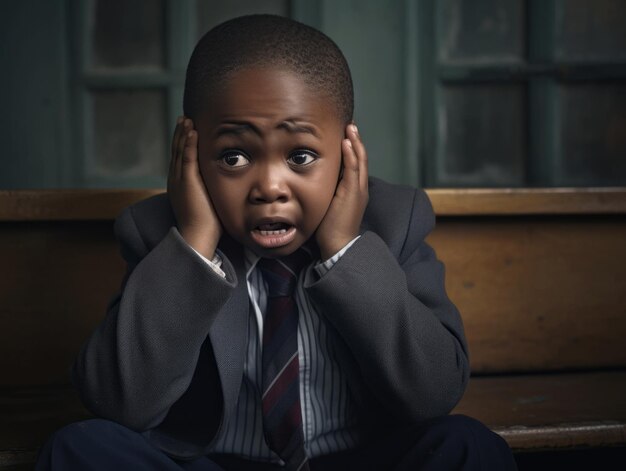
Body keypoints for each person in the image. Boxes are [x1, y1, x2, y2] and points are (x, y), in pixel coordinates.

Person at [36, 14, 516, 471]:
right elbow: (119, 402)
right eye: (233, 157)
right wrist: (195, 244)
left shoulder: (393, 221)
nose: (269, 185)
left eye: (302, 155)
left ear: (348, 154)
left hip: (358, 459)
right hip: (216, 462)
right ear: (192, 155)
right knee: (79, 447)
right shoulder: (161, 233)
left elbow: (433, 392)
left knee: (467, 446)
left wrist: (344, 249)